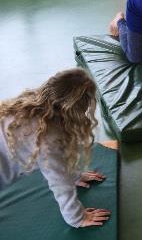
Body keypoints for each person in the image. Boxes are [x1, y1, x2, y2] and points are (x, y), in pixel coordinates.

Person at [0, 68, 111, 227]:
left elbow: (62, 159)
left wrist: (75, 175)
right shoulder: (47, 138)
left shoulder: (34, 103)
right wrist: (78, 218)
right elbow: (60, 182)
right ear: (75, 111)